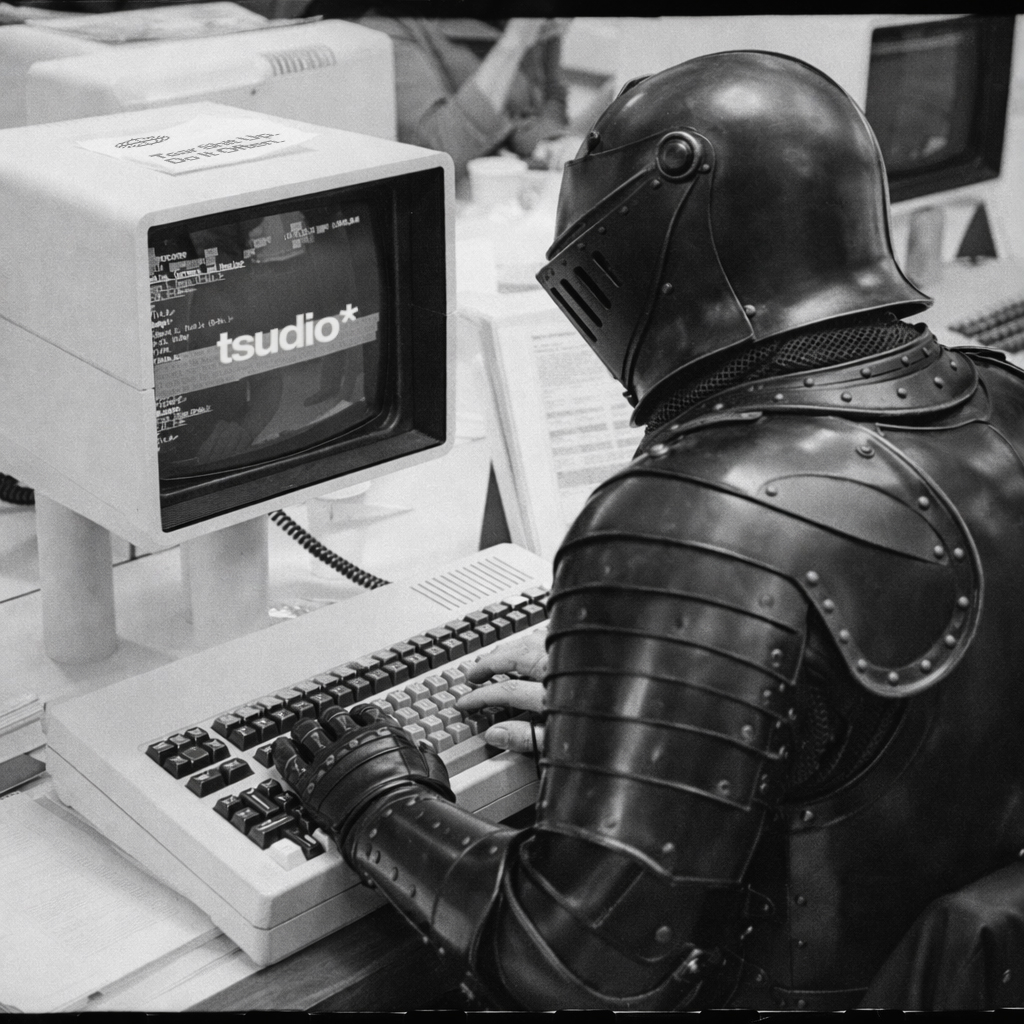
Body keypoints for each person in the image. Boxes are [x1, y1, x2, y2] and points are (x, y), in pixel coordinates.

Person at [273, 52, 1024, 1009]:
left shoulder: (687, 515)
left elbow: (568, 968)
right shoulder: (1000, 395)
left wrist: (376, 801)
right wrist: (669, 714)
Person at [309, 5, 580, 179]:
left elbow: (544, 100)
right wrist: (515, 42)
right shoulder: (385, 27)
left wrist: (551, 141)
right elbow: (439, 152)